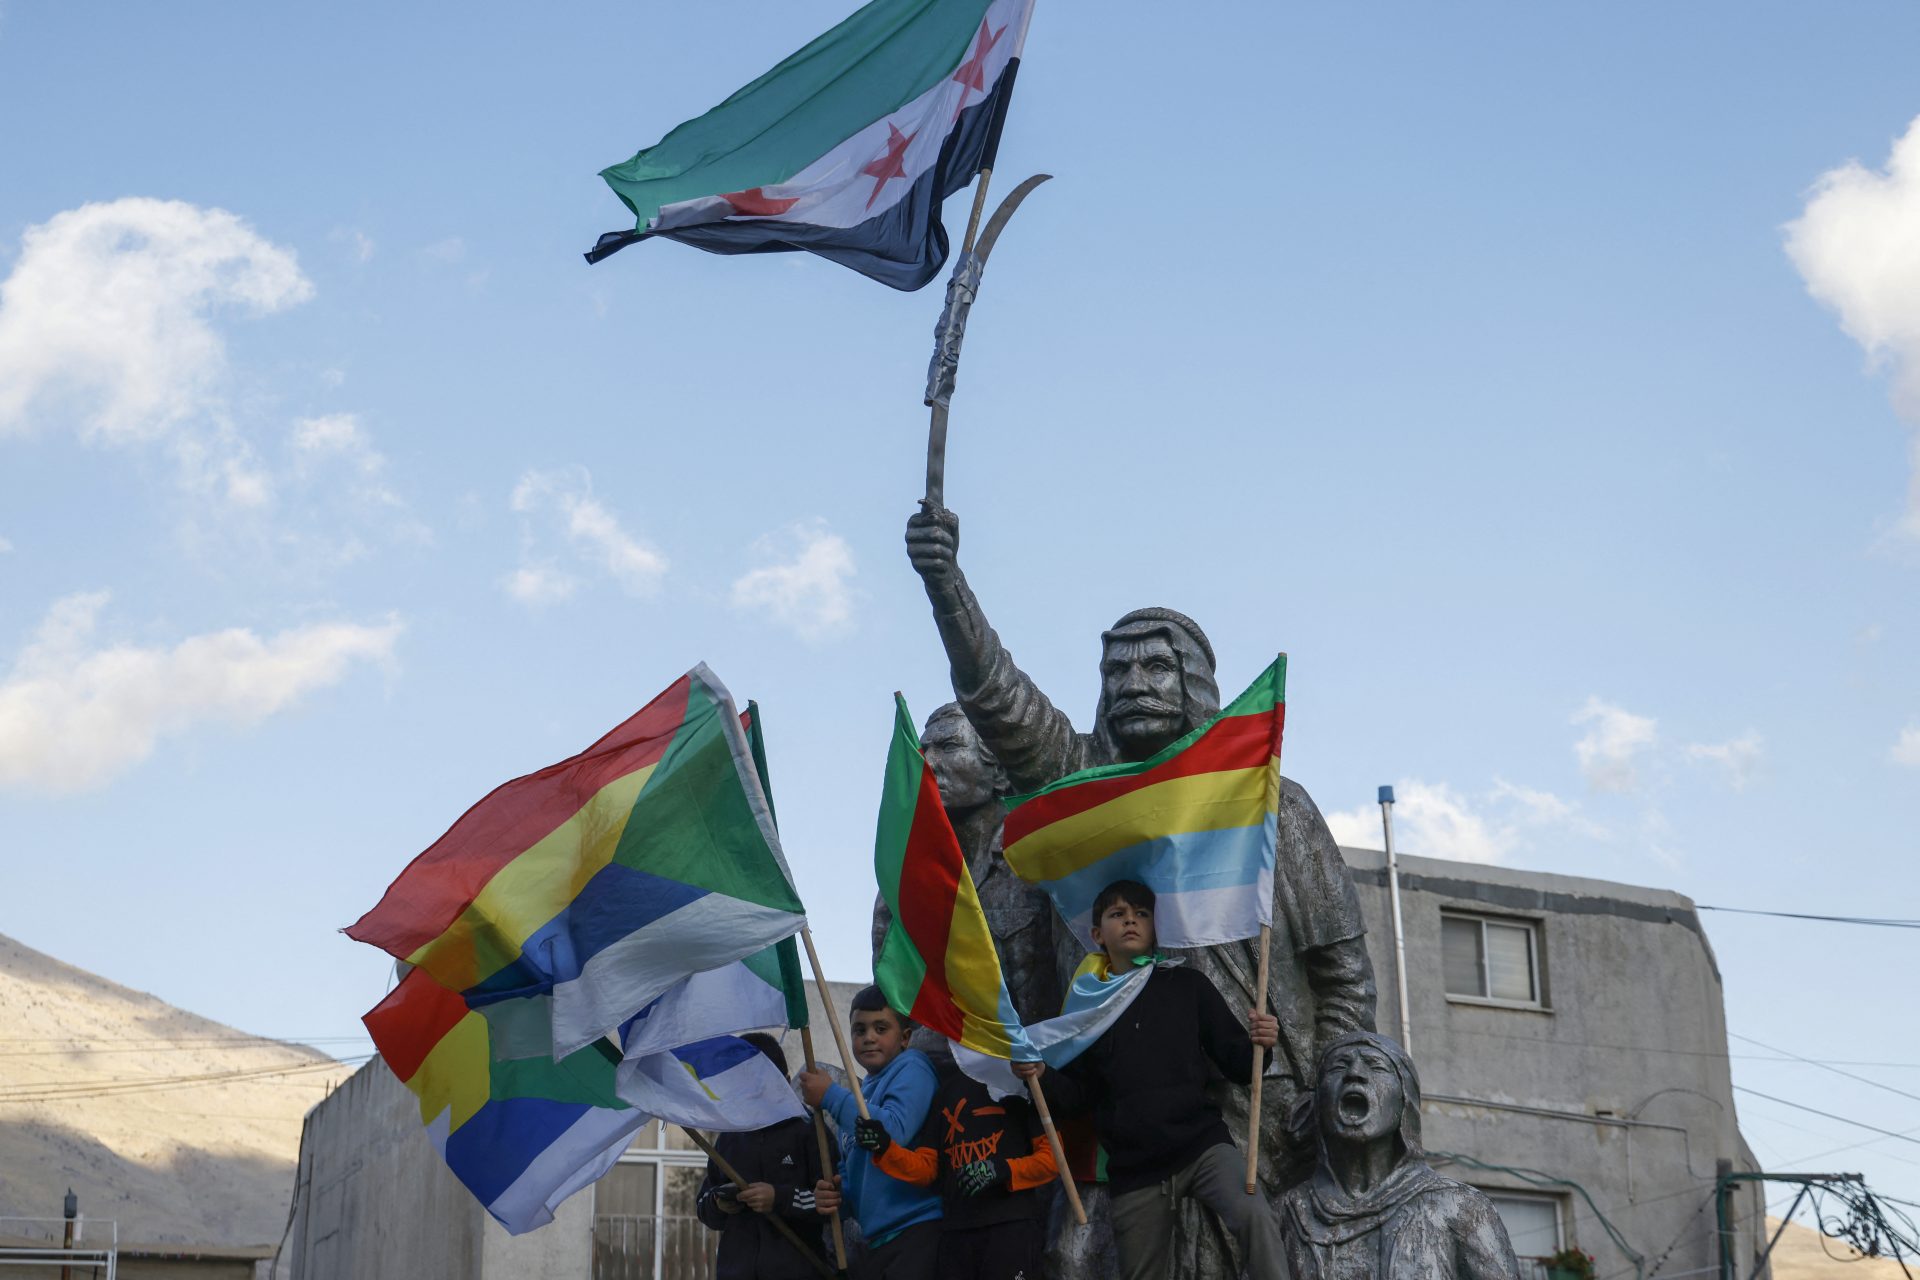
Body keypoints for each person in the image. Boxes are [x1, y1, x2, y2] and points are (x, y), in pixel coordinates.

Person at [904, 504, 1377, 1231]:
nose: (1133, 681)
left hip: (1261, 1092)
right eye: (1116, 667)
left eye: (1156, 664)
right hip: (1116, 1094)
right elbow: (996, 696)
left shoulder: (1274, 805)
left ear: (1194, 679)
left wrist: (1323, 1085)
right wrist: (946, 584)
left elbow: (1342, 974)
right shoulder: (1082, 783)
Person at [1015, 880, 1288, 1280]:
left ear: (1155, 928)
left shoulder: (1187, 985)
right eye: (1117, 914)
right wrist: (1038, 1076)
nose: (1130, 920)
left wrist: (1263, 1044)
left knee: (1256, 1217)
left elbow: (1240, 1066)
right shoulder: (1090, 1009)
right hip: (1136, 1168)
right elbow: (1076, 1097)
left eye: (1141, 914)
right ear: (1096, 935)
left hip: (1202, 1146)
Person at [1278, 1032, 1521, 1280]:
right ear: (1319, 1103)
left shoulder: (1460, 1207)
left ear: (1405, 1100)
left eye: (1376, 1066)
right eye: (1339, 1066)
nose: (1355, 1074)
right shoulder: (1289, 1212)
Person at [854, 1057, 1058, 1280]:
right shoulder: (946, 1091)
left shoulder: (1021, 1078)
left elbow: (1053, 1160)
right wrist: (885, 1148)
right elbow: (927, 1169)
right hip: (955, 1234)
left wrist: (1003, 1169)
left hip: (1010, 1228)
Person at [799, 987, 942, 1279]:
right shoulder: (859, 1096)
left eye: (881, 1028)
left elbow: (893, 1132)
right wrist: (837, 1197)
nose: (869, 1037)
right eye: (859, 1029)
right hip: (877, 1241)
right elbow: (853, 1179)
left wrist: (831, 1097)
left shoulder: (913, 1067)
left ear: (904, 1037)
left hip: (917, 1230)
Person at [695, 1033, 827, 1280]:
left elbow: (832, 1206)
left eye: (764, 1085)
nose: (755, 1094)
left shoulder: (809, 1130)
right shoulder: (728, 1138)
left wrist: (779, 1198)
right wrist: (718, 1203)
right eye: (745, 1086)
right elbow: (703, 1207)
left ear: (787, 1083)